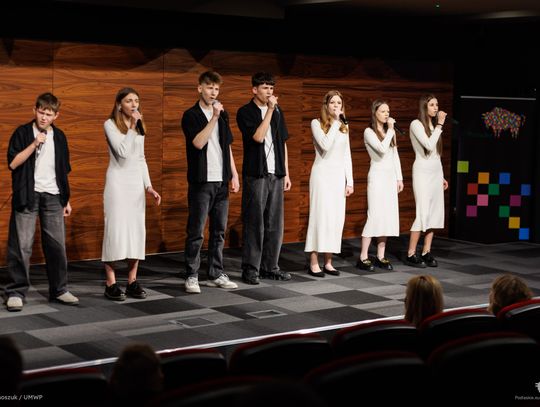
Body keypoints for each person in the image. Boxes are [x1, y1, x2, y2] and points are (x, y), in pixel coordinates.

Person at [4, 92, 79, 312]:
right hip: (28, 194)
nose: (44, 117)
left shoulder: (60, 137)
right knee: (21, 246)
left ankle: (59, 289)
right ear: (34, 111)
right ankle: (16, 291)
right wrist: (34, 143)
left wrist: (66, 199)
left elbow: (63, 171)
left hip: (54, 196)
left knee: (57, 245)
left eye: (49, 114)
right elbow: (13, 163)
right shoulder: (22, 132)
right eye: (41, 112)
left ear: (56, 116)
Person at [181, 71, 240, 294]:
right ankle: (192, 275)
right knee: (196, 231)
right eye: (209, 88)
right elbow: (198, 143)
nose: (213, 92)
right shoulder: (191, 115)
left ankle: (215, 273)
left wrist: (234, 174)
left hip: (221, 180)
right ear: (200, 88)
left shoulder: (223, 115)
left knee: (219, 231)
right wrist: (213, 117)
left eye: (216, 88)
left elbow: (227, 146)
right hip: (201, 181)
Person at [102, 88, 161, 301]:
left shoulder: (139, 126)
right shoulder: (110, 124)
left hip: (135, 184)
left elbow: (140, 158)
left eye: (136, 100)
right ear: (120, 105)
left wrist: (148, 186)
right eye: (129, 101)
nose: (134, 104)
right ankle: (111, 283)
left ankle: (132, 280)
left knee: (136, 231)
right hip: (117, 184)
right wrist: (132, 128)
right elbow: (123, 152)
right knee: (115, 231)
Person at [236, 72, 292, 285]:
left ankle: (270, 267)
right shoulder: (246, 112)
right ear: (254, 90)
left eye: (271, 88)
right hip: (256, 174)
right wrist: (269, 110)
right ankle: (251, 268)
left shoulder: (278, 111)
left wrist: (286, 173)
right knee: (255, 224)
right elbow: (258, 137)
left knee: (275, 224)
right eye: (265, 87)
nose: (269, 91)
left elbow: (282, 142)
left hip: (276, 174)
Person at [304, 90, 353, 277]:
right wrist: (336, 123)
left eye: (339, 103)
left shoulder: (344, 127)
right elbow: (325, 145)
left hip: (338, 177)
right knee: (320, 217)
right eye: (333, 103)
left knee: (335, 219)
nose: (336, 106)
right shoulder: (316, 123)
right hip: (322, 176)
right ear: (326, 105)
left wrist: (350, 181)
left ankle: (329, 262)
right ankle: (314, 261)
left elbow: (347, 154)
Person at [358, 100, 403, 272]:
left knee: (387, 216)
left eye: (388, 111)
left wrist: (399, 178)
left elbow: (394, 155)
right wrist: (391, 130)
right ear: (375, 112)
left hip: (390, 178)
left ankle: (380, 256)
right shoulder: (369, 132)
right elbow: (382, 149)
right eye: (383, 111)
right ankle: (363, 256)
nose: (386, 114)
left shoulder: (389, 132)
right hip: (377, 177)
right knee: (374, 216)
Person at [404, 94, 448, 268]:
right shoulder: (416, 124)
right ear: (424, 107)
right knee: (422, 213)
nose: (436, 108)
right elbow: (428, 146)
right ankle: (411, 253)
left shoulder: (433, 126)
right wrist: (440, 125)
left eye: (437, 104)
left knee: (435, 213)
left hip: (435, 172)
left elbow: (436, 154)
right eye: (432, 105)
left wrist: (441, 176)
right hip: (422, 172)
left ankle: (426, 251)